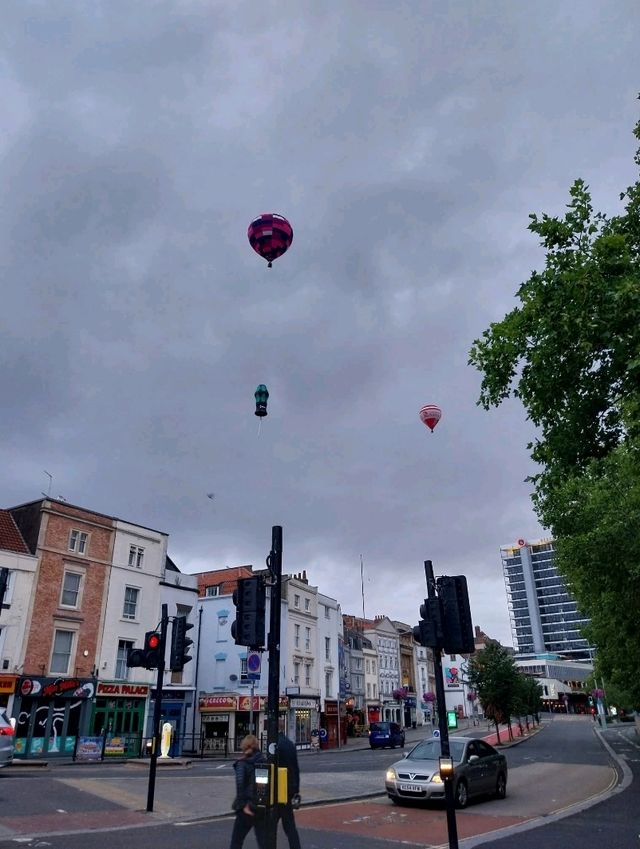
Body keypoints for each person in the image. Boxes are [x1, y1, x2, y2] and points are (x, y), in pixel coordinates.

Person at [229, 735, 266, 849]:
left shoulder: (242, 763)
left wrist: (245, 805)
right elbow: (262, 785)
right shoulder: (262, 761)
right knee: (263, 842)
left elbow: (240, 786)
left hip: (245, 808)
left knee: (236, 842)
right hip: (259, 807)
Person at [276, 731, 302, 849]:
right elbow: (296, 768)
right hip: (290, 789)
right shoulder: (290, 744)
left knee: (270, 826)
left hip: (278, 790)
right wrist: (296, 789)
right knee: (289, 825)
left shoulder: (275, 745)